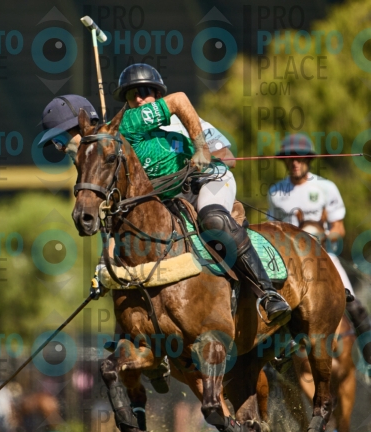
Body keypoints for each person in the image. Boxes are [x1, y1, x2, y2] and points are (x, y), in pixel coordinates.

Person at [38, 66, 291, 327]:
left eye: (59, 141)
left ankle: (267, 293)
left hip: (205, 182)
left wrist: (201, 148)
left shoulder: (131, 123)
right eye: (131, 95)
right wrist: (104, 268)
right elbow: (116, 224)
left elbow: (183, 105)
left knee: (212, 219)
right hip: (169, 199)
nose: (139, 99)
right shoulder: (104, 154)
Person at [266, 133, 371, 387]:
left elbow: (339, 229)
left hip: (324, 258)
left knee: (353, 305)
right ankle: (268, 365)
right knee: (269, 305)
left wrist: (321, 234)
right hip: (289, 262)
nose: (294, 162)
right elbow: (272, 230)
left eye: (299, 158)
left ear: (308, 160)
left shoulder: (326, 188)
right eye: (289, 158)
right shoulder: (276, 192)